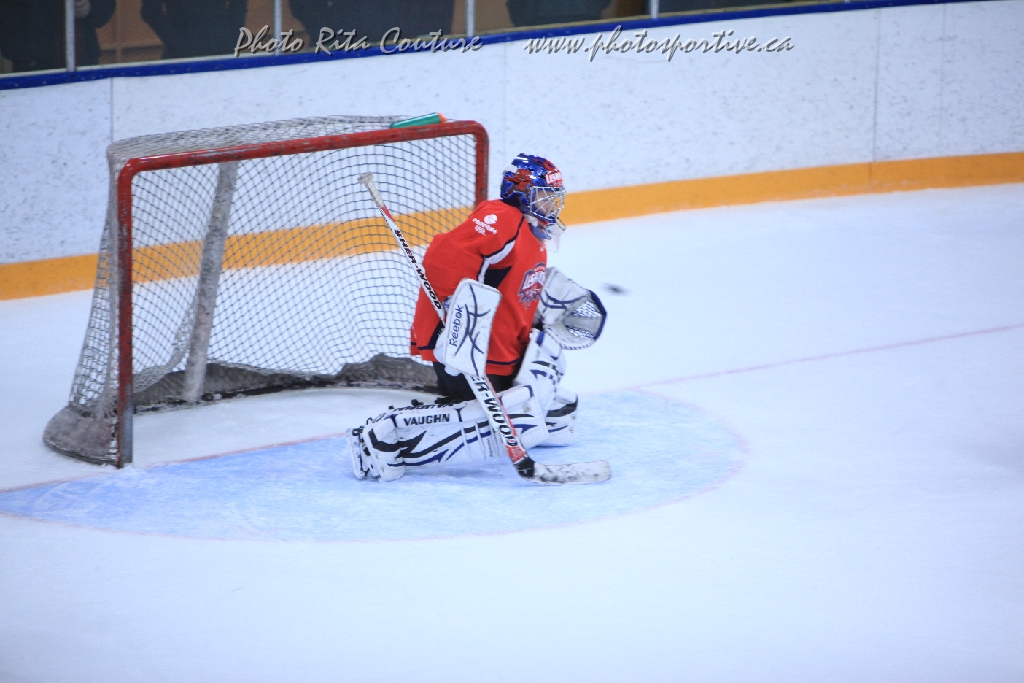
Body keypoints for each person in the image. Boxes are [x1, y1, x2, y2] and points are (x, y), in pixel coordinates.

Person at [350, 154, 607, 481]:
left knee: (539, 393)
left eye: (553, 197)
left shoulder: (534, 234)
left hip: (501, 349)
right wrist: (456, 319)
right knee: (481, 422)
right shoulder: (503, 217)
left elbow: (514, 288)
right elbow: (444, 258)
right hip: (472, 349)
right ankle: (386, 438)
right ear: (520, 191)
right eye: (543, 195)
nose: (551, 204)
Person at [0, 0, 114, 72]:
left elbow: (106, 5)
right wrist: (24, 56)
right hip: (35, 68)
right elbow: (7, 16)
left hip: (83, 63)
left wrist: (91, 7)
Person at [140, 0, 247, 59]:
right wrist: (178, 45)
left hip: (224, 52)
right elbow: (150, 11)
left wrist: (231, 37)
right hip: (181, 58)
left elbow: (239, 3)